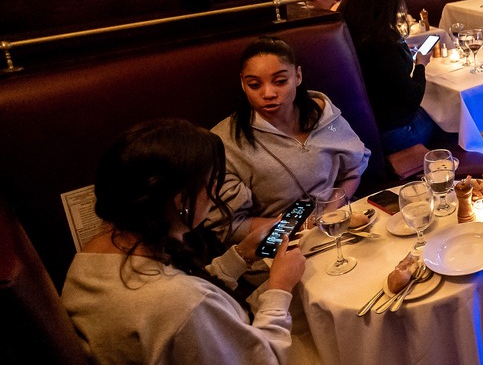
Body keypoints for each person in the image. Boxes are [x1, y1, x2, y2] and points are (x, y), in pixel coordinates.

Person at [61, 119, 307, 364]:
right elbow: (263, 360)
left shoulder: (94, 251)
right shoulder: (184, 305)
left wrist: (241, 255)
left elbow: (176, 300)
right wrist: (279, 289)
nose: (215, 196)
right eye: (211, 185)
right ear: (181, 201)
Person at [212, 37, 370, 242]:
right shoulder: (225, 143)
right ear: (243, 83)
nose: (268, 93)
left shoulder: (324, 118)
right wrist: (302, 225)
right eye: (254, 84)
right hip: (278, 245)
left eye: (280, 82)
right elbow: (230, 225)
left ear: (298, 75)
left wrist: (329, 215)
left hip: (339, 225)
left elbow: (353, 170)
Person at [339, 0, 442, 163]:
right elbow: (413, 97)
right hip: (396, 134)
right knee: (447, 117)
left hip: (365, 127)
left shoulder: (349, 34)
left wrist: (402, 53)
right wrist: (421, 64)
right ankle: (445, 166)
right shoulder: (381, 45)